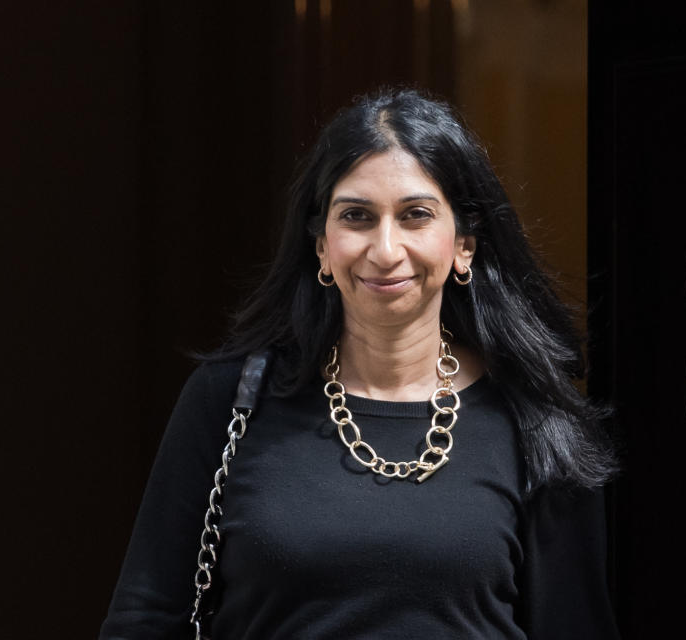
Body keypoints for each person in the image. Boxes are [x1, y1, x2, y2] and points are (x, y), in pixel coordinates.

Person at [99, 88, 620, 639]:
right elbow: (145, 619)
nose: (386, 248)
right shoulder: (228, 400)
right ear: (321, 244)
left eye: (416, 215)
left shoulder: (535, 418)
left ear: (464, 244)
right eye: (357, 217)